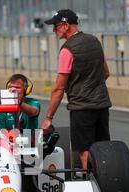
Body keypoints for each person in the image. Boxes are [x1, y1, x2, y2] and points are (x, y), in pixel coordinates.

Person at [41, 9, 111, 170]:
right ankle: (106, 184)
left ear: (66, 25)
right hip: (102, 104)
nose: (53, 30)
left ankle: (91, 183)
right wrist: (91, 86)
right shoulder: (94, 41)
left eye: (56, 26)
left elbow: (59, 88)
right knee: (103, 148)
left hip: (82, 108)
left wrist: (48, 118)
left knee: (84, 150)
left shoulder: (67, 50)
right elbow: (106, 73)